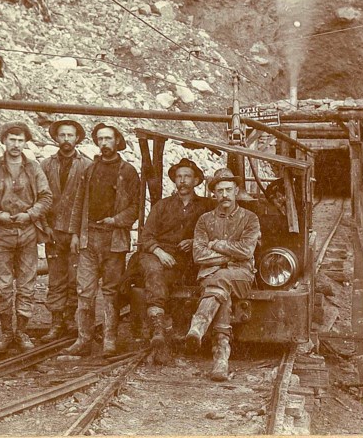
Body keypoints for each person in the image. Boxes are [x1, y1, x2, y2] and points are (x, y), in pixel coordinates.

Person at [0, 121, 53, 352]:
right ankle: (6, 332)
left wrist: (30, 214)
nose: (16, 145)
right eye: (12, 139)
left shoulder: (33, 168)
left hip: (28, 232)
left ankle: (23, 333)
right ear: (4, 141)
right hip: (1, 233)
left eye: (20, 140)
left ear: (25, 142)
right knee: (3, 285)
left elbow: (46, 197)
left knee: (28, 285)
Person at [63, 123, 140, 357]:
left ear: (117, 142)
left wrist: (116, 220)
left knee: (110, 291)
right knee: (84, 290)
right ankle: (83, 339)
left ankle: (109, 340)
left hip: (114, 239)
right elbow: (78, 203)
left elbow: (135, 207)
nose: (104, 143)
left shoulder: (127, 171)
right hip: (89, 237)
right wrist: (75, 233)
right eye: (100, 139)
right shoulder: (90, 169)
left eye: (108, 139)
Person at [132, 158, 215, 363]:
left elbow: (217, 232)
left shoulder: (206, 206)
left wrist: (195, 241)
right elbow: (146, 236)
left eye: (187, 176)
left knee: (169, 279)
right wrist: (159, 252)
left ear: (196, 181)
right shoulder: (163, 206)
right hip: (158, 254)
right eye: (179, 177)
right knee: (153, 270)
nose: (183, 181)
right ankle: (158, 328)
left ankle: (177, 329)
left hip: (187, 258)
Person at [185, 169, 261, 381]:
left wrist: (217, 245)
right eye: (220, 191)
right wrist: (230, 257)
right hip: (214, 276)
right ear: (214, 195)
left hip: (241, 276)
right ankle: (221, 358)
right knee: (222, 294)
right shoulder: (204, 220)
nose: (225, 194)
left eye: (229, 190)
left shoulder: (250, 219)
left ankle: (199, 326)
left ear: (237, 191)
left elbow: (247, 251)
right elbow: (199, 255)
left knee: (219, 281)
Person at [39, 119, 93, 341]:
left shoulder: (87, 165)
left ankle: (72, 320)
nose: (66, 140)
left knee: (75, 278)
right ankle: (56, 321)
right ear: (56, 138)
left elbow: (88, 204)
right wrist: (45, 228)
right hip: (53, 231)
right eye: (62, 135)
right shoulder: (46, 165)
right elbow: (39, 197)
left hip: (74, 233)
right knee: (56, 278)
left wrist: (78, 234)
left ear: (77, 138)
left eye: (70, 135)